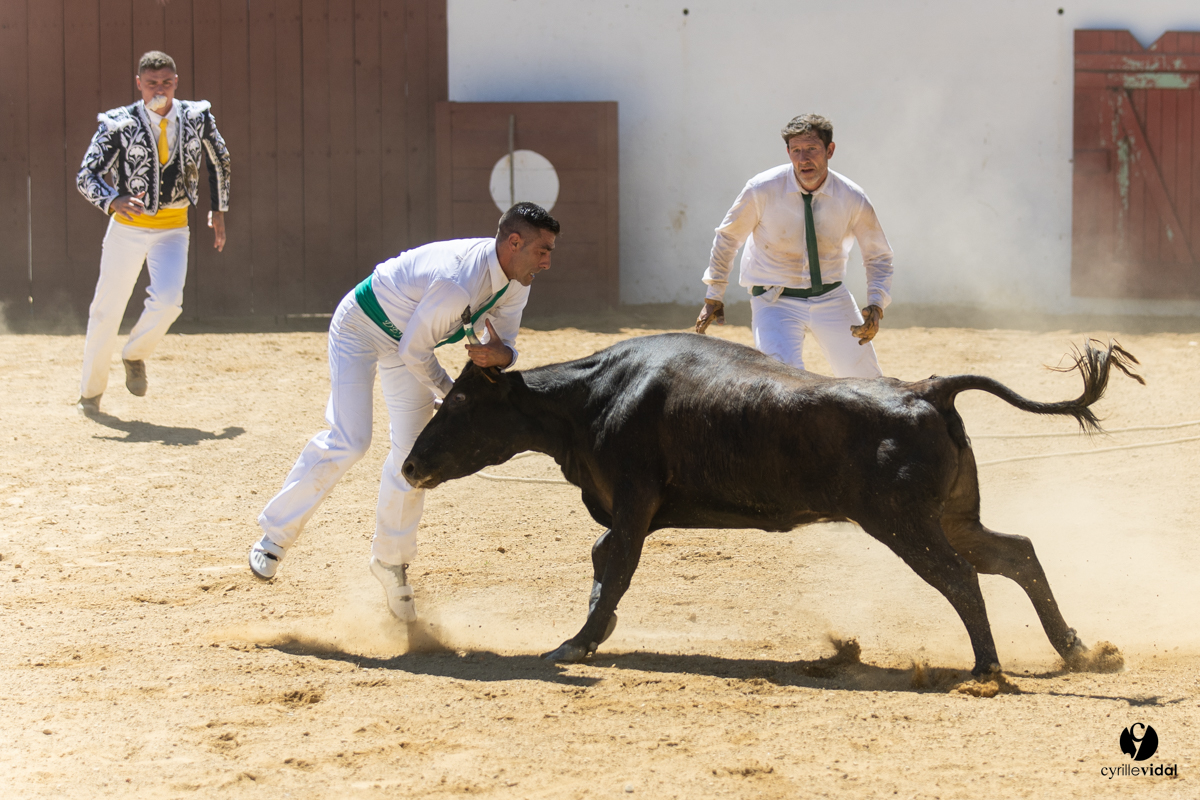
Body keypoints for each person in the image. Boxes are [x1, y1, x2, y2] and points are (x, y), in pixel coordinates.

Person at [249, 202, 560, 622]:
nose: (547, 262)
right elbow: (415, 348)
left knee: (415, 456)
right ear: (514, 242)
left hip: (408, 346)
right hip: (362, 325)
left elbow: (501, 347)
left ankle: (390, 561)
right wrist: (451, 397)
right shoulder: (457, 281)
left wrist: (503, 354)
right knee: (351, 439)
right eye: (542, 251)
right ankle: (275, 535)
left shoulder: (517, 282)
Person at [75, 50, 231, 417]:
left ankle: (134, 355)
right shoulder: (117, 124)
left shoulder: (196, 116)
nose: (159, 89)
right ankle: (90, 394)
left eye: (165, 83)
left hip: (173, 229)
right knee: (106, 311)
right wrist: (113, 200)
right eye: (151, 84)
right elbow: (86, 175)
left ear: (175, 82)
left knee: (168, 302)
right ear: (139, 85)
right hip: (127, 230)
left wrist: (219, 209)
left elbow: (220, 158)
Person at [695, 113, 893, 377]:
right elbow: (729, 237)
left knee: (867, 381)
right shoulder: (761, 189)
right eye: (796, 150)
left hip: (831, 297)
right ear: (787, 152)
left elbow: (878, 255)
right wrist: (714, 294)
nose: (803, 159)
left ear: (830, 150)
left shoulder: (851, 197)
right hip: (774, 300)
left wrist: (877, 304)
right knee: (782, 383)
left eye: (812, 149)